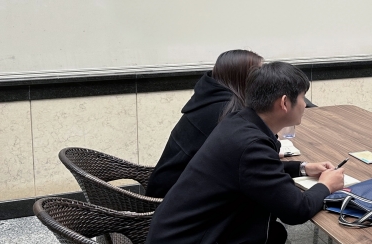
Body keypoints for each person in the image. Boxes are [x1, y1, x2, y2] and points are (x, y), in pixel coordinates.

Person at [146, 62, 345, 244]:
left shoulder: (238, 121)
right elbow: (296, 210)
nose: (304, 104)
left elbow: (250, 171)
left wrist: (302, 168)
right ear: (284, 103)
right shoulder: (252, 146)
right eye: (302, 97)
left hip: (184, 232)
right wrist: (326, 185)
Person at [145, 49, 263, 198]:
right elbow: (245, 157)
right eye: (259, 73)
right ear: (243, 77)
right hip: (172, 198)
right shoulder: (223, 110)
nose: (263, 79)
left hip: (169, 186)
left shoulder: (210, 98)